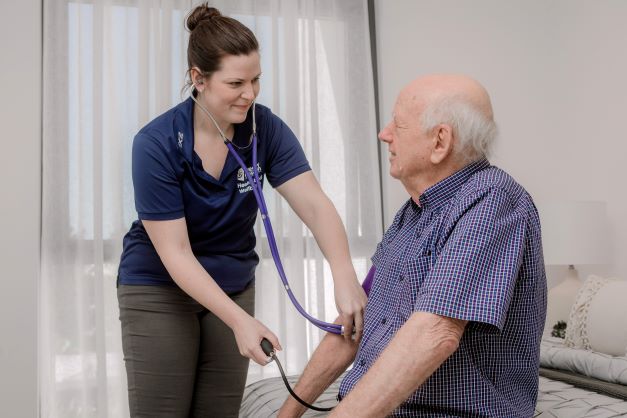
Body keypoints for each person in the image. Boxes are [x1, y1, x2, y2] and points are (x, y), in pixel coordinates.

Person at [116, 4, 367, 417]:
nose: (250, 94)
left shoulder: (264, 128)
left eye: (256, 80)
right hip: (159, 287)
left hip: (232, 281)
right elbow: (176, 253)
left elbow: (316, 206)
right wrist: (239, 321)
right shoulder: (155, 143)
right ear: (198, 79)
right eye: (236, 82)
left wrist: (344, 276)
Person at [278, 74, 547, 417]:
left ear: (440, 142)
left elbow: (435, 333)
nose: (384, 133)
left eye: (398, 125)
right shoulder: (413, 213)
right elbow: (356, 324)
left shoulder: (493, 201)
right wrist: (285, 415)